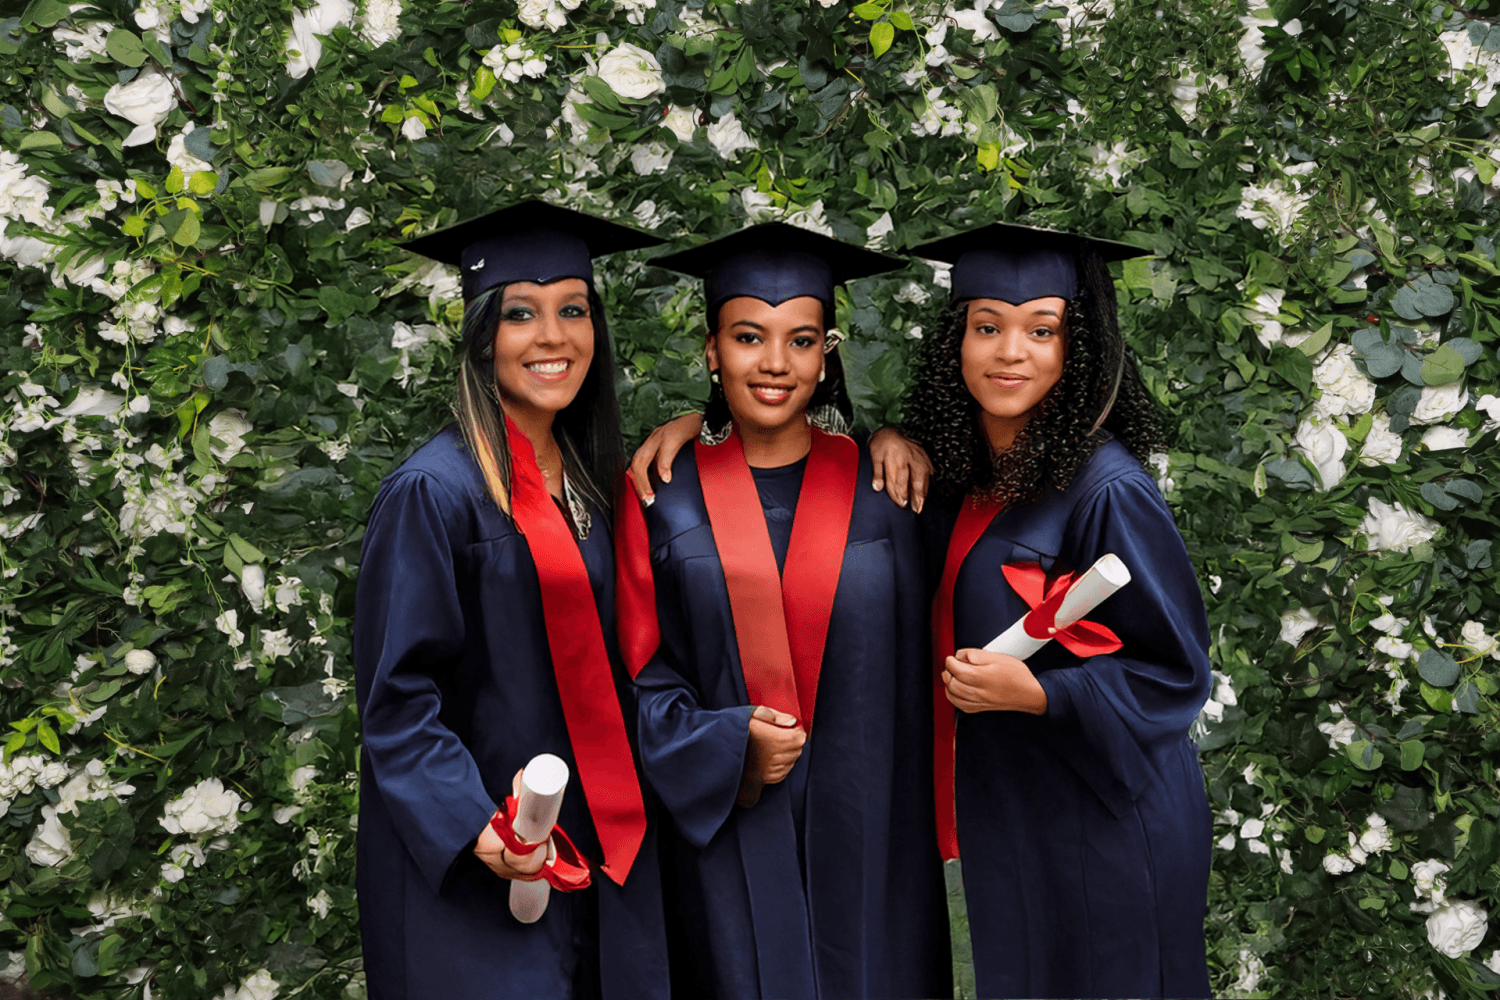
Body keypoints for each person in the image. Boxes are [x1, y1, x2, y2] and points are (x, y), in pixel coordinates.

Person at [614, 223, 951, 1000]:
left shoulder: (891, 491)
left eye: (801, 340)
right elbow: (636, 679)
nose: (774, 363)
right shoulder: (662, 500)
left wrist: (891, 433)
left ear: (826, 356)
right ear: (711, 352)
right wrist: (725, 748)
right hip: (728, 854)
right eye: (747, 337)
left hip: (873, 849)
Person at [353, 201, 670, 1000]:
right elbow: (397, 698)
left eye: (574, 310)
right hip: (484, 862)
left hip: (597, 851)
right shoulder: (434, 493)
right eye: (521, 313)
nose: (553, 337)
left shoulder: (592, 481)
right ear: (481, 334)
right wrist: (476, 826)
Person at [897, 222, 1213, 999]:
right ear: (955, 342)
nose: (1010, 352)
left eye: (1042, 330)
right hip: (1024, 812)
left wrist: (1041, 693)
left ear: (1080, 349)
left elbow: (1175, 672)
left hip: (1107, 818)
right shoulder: (969, 470)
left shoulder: (1108, 489)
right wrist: (885, 438)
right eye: (987, 327)